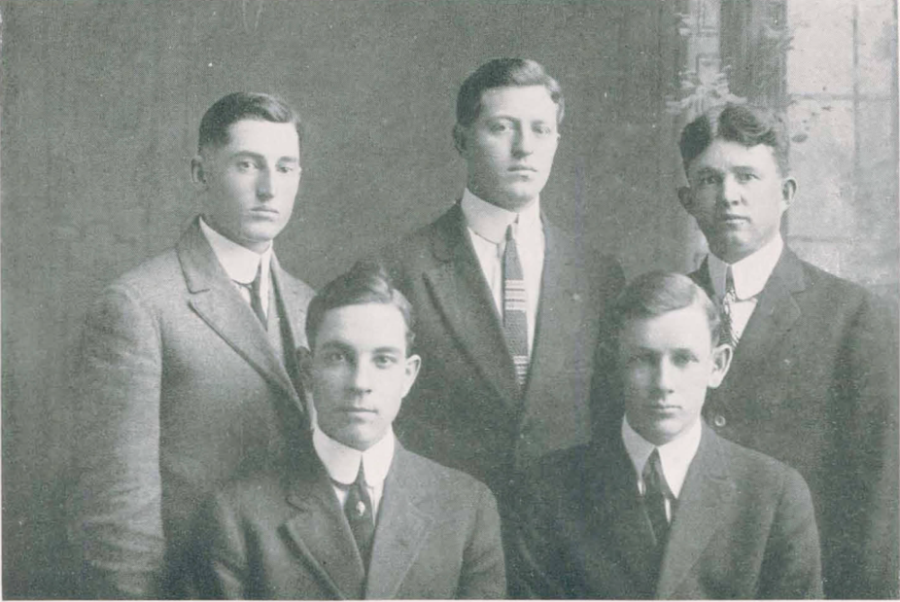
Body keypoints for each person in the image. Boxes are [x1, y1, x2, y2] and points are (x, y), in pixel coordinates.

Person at [68, 92, 315, 598]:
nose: (269, 188)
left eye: (285, 167)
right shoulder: (139, 306)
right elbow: (119, 517)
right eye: (247, 165)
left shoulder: (312, 304)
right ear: (201, 173)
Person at [375, 57, 624, 516]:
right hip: (443, 528)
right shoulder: (398, 270)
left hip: (565, 537)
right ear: (461, 140)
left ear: (556, 142)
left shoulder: (598, 277)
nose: (524, 147)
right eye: (502, 128)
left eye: (540, 130)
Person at [677, 103, 898, 598]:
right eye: (710, 180)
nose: (729, 196)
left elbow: (879, 497)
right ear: (688, 199)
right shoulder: (661, 309)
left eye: (748, 177)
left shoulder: (854, 316)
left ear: (787, 194)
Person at [193, 262, 506, 599]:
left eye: (383, 360)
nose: (360, 384)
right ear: (307, 370)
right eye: (339, 357)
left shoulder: (466, 507)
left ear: (409, 375)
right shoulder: (238, 515)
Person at [514, 271, 823, 599]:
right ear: (615, 364)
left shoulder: (773, 494)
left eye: (683, 359)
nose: (663, 383)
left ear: (717, 366)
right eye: (643, 360)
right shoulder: (550, 490)